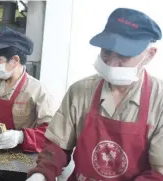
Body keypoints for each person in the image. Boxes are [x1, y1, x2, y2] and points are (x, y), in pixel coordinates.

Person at [27, 8, 163, 181]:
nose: (112, 63)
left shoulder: (159, 101)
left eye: (124, 55)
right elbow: (57, 147)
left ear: (149, 55)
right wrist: (41, 174)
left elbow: (159, 172)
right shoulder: (80, 91)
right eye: (106, 51)